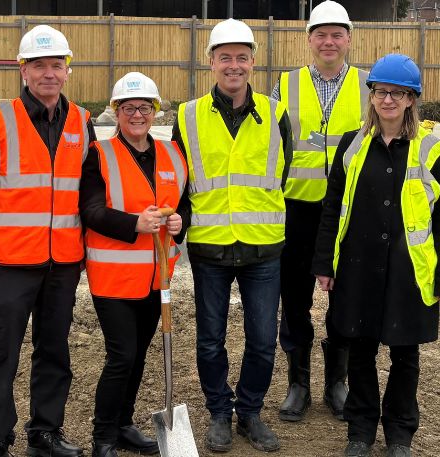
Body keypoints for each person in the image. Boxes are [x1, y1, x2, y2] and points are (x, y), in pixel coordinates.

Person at [0, 25, 94, 457]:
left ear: (67, 70)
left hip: (62, 265)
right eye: (39, 65)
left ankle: (45, 432)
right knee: (2, 358)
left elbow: (92, 195)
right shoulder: (2, 120)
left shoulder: (82, 123)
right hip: (9, 269)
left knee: (55, 353)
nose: (49, 74)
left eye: (56, 65)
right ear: (23, 71)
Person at [312, 54, 440, 457]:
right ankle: (359, 431)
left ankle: (399, 435)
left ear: (411, 99)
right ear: (372, 96)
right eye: (380, 92)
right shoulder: (352, 144)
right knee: (359, 351)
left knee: (404, 355)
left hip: (407, 272)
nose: (388, 100)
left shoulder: (431, 150)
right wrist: (325, 264)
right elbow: (332, 207)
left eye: (397, 93)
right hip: (358, 267)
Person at [171, 18, 294, 454]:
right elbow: (178, 182)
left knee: (263, 340)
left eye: (242, 57)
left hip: (263, 249)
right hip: (210, 249)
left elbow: (283, 173)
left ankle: (251, 412)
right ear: (211, 63)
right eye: (225, 57)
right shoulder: (187, 117)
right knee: (210, 340)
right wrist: (175, 226)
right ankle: (220, 414)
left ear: (253, 63)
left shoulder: (276, 112)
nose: (234, 65)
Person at [270, 0, 369, 423]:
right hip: (297, 208)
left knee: (345, 298)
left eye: (337, 34)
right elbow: (271, 144)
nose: (329, 42)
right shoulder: (285, 84)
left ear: (348, 39)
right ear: (309, 39)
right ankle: (298, 383)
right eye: (320, 34)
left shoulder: (370, 85)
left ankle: (338, 382)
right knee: (294, 299)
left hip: (349, 212)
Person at [79, 72, 187, 457]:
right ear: (116, 112)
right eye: (129, 108)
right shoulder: (99, 154)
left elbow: (183, 205)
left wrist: (179, 223)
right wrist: (133, 224)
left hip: (158, 277)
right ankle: (103, 435)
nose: (137, 115)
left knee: (138, 354)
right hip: (113, 277)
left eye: (144, 107)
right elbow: (90, 210)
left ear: (155, 112)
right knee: (122, 355)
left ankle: (124, 424)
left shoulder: (173, 154)